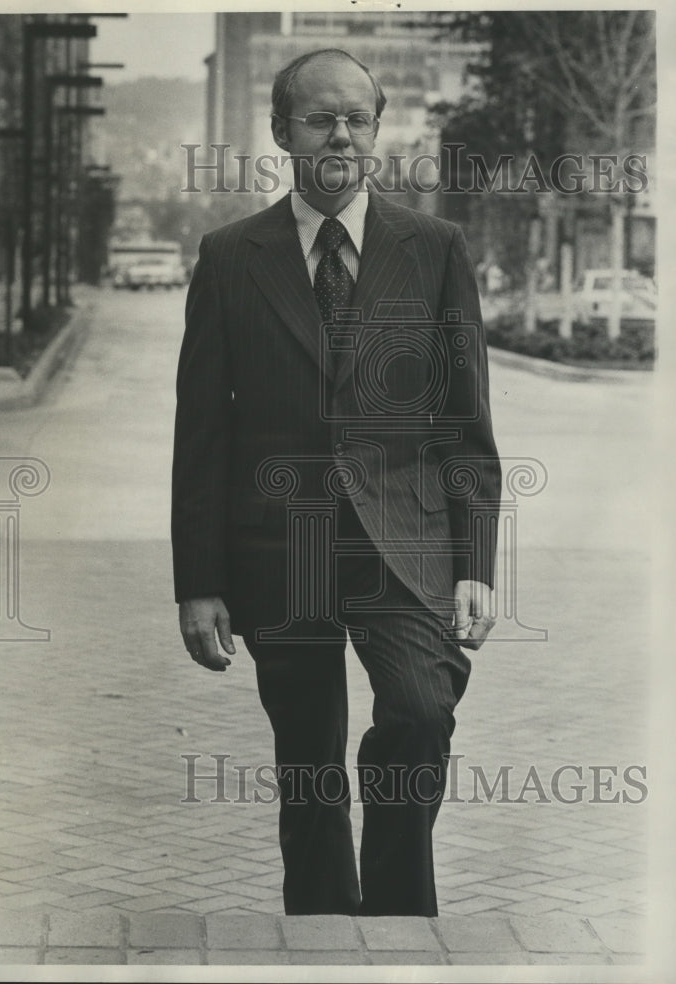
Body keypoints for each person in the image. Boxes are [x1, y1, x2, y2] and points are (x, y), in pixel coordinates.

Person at [172, 48, 502, 917]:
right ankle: (318, 936)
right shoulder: (230, 257)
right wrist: (198, 583)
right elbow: (202, 435)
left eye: (358, 118)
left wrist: (475, 562)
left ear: (377, 131)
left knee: (420, 710)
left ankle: (395, 916)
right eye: (321, 118)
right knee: (309, 759)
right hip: (280, 549)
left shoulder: (433, 249)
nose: (342, 135)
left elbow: (465, 427)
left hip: (405, 544)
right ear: (282, 132)